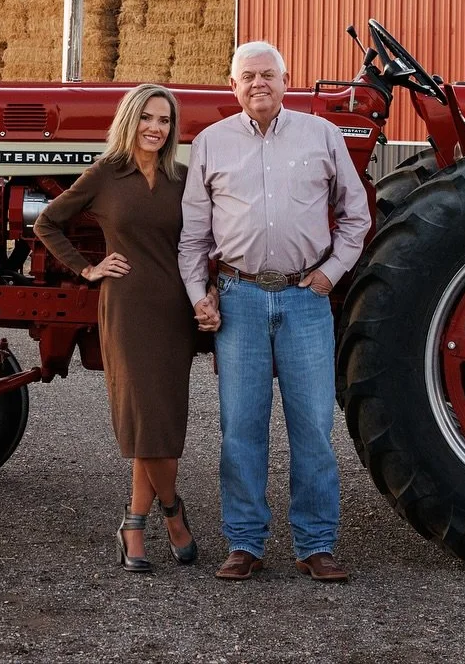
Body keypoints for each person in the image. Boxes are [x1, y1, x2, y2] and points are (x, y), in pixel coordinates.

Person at [179, 41, 371, 583]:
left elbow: (355, 218)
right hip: (238, 299)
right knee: (241, 427)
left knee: (312, 426)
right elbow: (193, 237)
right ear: (232, 85)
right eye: (248, 76)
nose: (258, 84)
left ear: (286, 81)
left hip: (304, 300)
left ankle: (316, 545)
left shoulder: (322, 135)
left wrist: (329, 275)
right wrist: (200, 295)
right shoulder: (212, 144)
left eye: (268, 74)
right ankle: (245, 543)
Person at [35, 84, 201, 573]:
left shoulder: (181, 179)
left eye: (165, 121)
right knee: (141, 418)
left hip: (173, 311)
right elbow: (48, 222)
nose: (156, 128)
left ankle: (134, 522)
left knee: (164, 422)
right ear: (130, 119)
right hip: (126, 310)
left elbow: (204, 237)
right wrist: (87, 268)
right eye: (147, 117)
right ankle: (170, 514)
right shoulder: (106, 175)